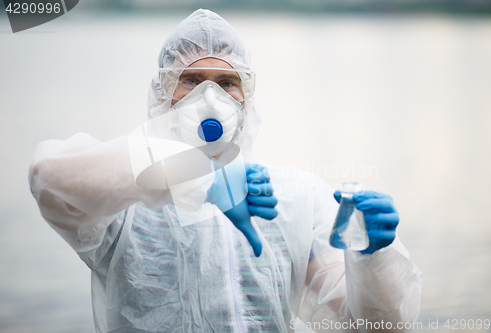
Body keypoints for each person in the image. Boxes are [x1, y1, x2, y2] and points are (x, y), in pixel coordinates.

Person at [29, 9, 422, 333]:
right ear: (163, 92)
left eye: (226, 82)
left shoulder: (289, 199)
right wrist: (197, 176)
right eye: (192, 80)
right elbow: (49, 176)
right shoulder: (123, 200)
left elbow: (372, 327)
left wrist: (371, 260)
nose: (210, 98)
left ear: (246, 97)